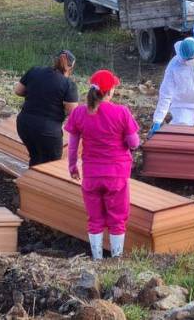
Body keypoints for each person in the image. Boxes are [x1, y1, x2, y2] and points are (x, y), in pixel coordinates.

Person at [65, 69, 140, 260]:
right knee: (117, 219)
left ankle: (97, 260)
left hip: (91, 175)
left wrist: (72, 167)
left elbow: (72, 145)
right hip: (116, 176)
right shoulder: (121, 112)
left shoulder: (79, 113)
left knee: (95, 219)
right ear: (110, 91)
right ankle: (116, 259)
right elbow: (134, 143)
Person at [14, 50, 79, 166]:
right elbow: (73, 112)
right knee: (51, 166)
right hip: (47, 130)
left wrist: (35, 95)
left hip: (24, 125)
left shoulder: (34, 71)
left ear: (54, 60)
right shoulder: (68, 84)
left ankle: (31, 182)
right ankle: (39, 183)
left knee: (35, 157)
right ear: (70, 67)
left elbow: (18, 91)